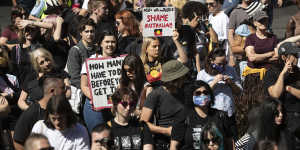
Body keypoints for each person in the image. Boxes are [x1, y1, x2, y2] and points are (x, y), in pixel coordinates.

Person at [237, 10, 277, 136]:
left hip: (269, 76)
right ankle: (251, 134)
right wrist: (268, 54)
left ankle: (267, 133)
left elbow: (276, 57)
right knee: (252, 106)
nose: (263, 23)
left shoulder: (273, 37)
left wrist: (261, 56)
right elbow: (252, 58)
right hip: (253, 78)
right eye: (260, 21)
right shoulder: (250, 38)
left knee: (267, 105)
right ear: (255, 23)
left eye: (265, 20)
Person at [170, 80, 234, 150]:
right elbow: (173, 146)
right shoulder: (183, 116)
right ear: (191, 96)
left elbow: (230, 143)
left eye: (205, 92)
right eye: (198, 93)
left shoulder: (221, 115)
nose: (202, 95)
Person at [140, 60, 189, 149]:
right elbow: (143, 124)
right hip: (164, 143)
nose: (184, 78)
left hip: (184, 142)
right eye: (182, 77)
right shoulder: (155, 95)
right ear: (174, 80)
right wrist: (165, 131)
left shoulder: (184, 93)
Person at [13, 76, 66, 150]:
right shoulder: (31, 113)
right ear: (52, 91)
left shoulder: (64, 110)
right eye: (63, 88)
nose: (65, 91)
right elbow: (18, 142)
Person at [264, 42, 300, 149]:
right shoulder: (272, 72)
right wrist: (283, 74)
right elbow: (275, 94)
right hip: (283, 121)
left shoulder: (298, 72)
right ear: (284, 57)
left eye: (297, 55)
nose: (297, 58)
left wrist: (289, 89)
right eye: (294, 55)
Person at [80, 30, 118, 132]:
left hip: (115, 105)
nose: (110, 45)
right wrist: (98, 99)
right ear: (101, 43)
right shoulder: (92, 60)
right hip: (94, 106)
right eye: (107, 42)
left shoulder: (120, 61)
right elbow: (84, 86)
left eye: (113, 42)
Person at [197, 48, 242, 131]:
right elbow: (199, 98)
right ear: (211, 60)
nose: (222, 66)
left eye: (224, 63)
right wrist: (214, 82)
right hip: (212, 114)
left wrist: (231, 83)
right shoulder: (202, 74)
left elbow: (239, 92)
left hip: (229, 113)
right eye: (219, 64)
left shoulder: (230, 70)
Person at [67, 18, 97, 114]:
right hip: (81, 95)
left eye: (92, 31)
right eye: (86, 31)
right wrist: (89, 88)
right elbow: (74, 77)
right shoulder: (75, 50)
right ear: (81, 33)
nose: (89, 34)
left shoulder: (98, 49)